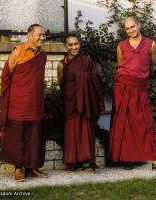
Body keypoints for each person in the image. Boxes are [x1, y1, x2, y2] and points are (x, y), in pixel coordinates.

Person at [108, 16, 156, 172]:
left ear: (139, 25)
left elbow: (150, 64)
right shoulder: (121, 46)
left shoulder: (150, 44)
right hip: (123, 87)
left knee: (145, 122)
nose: (130, 30)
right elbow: (121, 64)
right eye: (127, 28)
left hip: (140, 87)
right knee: (124, 122)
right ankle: (127, 159)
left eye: (133, 26)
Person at [0, 24, 48, 182]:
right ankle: (18, 168)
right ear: (29, 36)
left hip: (36, 102)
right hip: (19, 102)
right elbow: (6, 76)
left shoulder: (43, 55)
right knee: (18, 136)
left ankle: (33, 167)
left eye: (43, 35)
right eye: (39, 35)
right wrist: (8, 98)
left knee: (35, 136)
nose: (42, 38)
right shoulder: (18, 51)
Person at [57, 34, 105, 172]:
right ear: (66, 47)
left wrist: (83, 81)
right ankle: (73, 162)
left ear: (80, 44)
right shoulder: (62, 65)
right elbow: (62, 85)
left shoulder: (87, 61)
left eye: (76, 44)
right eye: (70, 45)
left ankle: (89, 160)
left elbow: (96, 79)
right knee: (71, 129)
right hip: (71, 101)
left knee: (86, 129)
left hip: (86, 102)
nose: (73, 47)